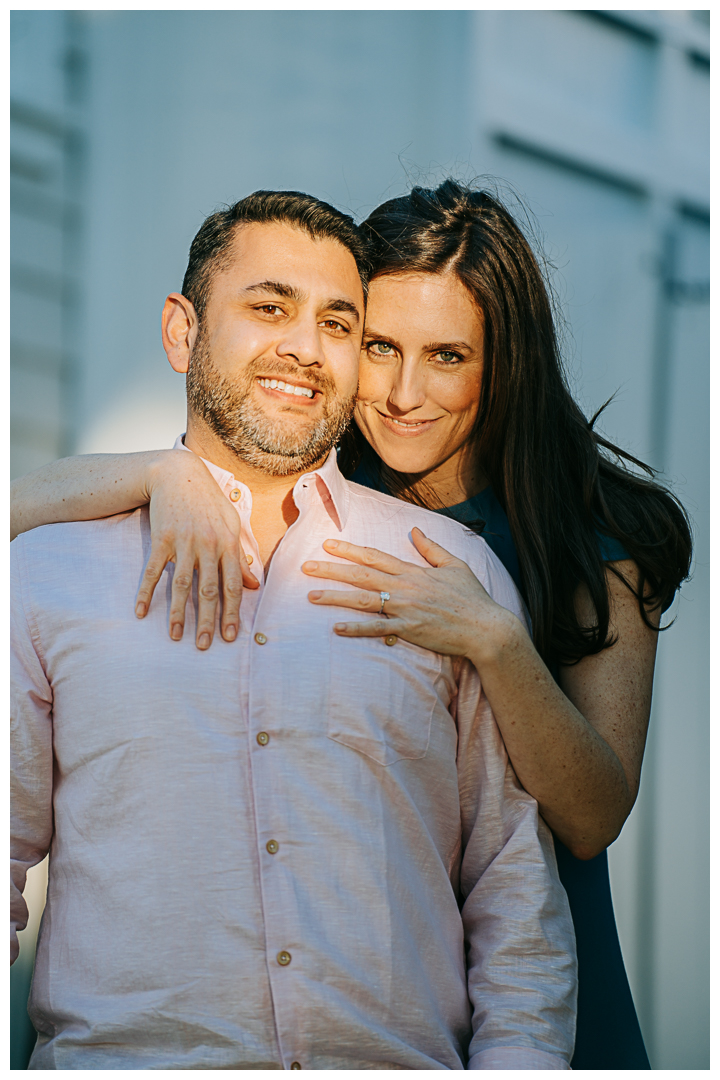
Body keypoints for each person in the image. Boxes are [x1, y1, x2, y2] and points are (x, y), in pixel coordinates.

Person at [11, 180, 692, 1069]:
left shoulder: (577, 539)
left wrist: (492, 637)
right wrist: (162, 474)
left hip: (534, 981)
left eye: (448, 355)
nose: (405, 392)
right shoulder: (308, 469)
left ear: (502, 365)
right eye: (376, 344)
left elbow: (586, 822)